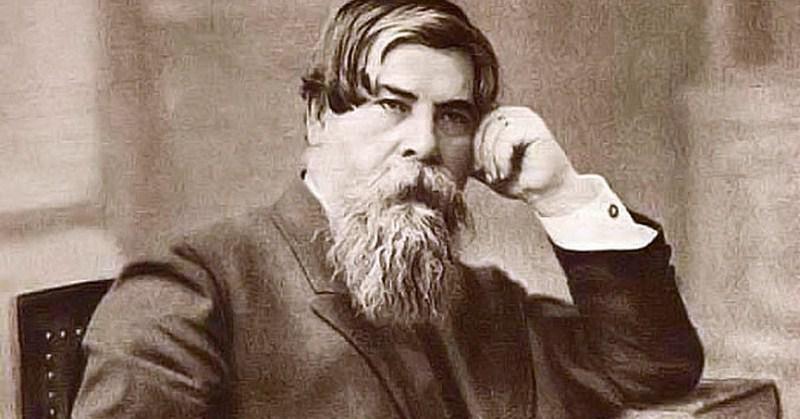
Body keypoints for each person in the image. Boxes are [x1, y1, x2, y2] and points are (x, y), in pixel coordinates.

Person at [72, 1, 703, 418]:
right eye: (392, 105)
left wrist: (561, 193)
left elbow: (654, 371)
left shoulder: (485, 303)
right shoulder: (195, 291)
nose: (423, 143)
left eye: (452, 117)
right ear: (318, 117)